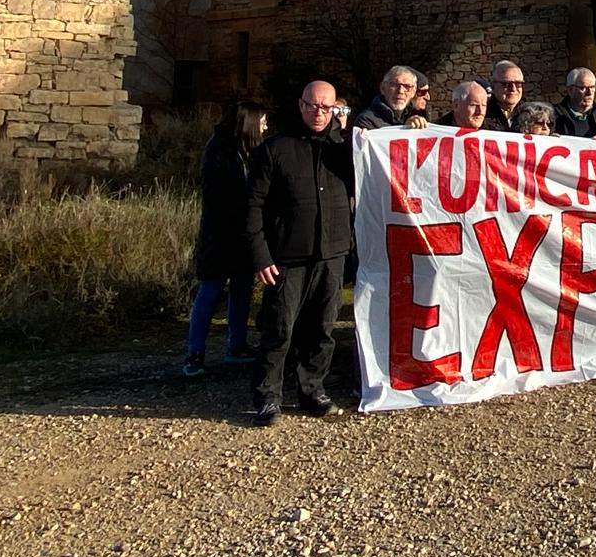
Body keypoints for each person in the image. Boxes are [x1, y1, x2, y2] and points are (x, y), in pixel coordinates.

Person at [246, 80, 354, 426]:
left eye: (327, 107)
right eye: (313, 106)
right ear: (301, 105)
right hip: (286, 257)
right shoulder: (274, 149)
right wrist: (260, 255)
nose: (320, 113)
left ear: (336, 109)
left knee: (321, 329)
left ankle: (312, 391)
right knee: (279, 330)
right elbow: (252, 207)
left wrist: (349, 134)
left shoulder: (343, 148)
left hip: (331, 254)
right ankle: (268, 398)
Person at [183, 101, 267, 377]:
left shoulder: (249, 153)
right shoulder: (220, 151)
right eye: (263, 121)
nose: (266, 127)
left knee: (242, 290)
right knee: (210, 292)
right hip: (220, 236)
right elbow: (224, 197)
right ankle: (194, 353)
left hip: (242, 236)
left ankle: (237, 345)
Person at [351, 65, 428, 130]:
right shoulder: (367, 120)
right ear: (382, 88)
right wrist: (405, 129)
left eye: (407, 86)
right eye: (394, 85)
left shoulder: (417, 116)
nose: (400, 91)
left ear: (413, 92)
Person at [553, 67, 596, 137]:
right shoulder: (553, 116)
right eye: (583, 88)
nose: (590, 93)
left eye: (592, 87)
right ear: (570, 90)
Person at [486, 60, 526, 132]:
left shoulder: (531, 115)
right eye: (506, 84)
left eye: (518, 83)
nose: (513, 89)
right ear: (493, 86)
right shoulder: (482, 115)